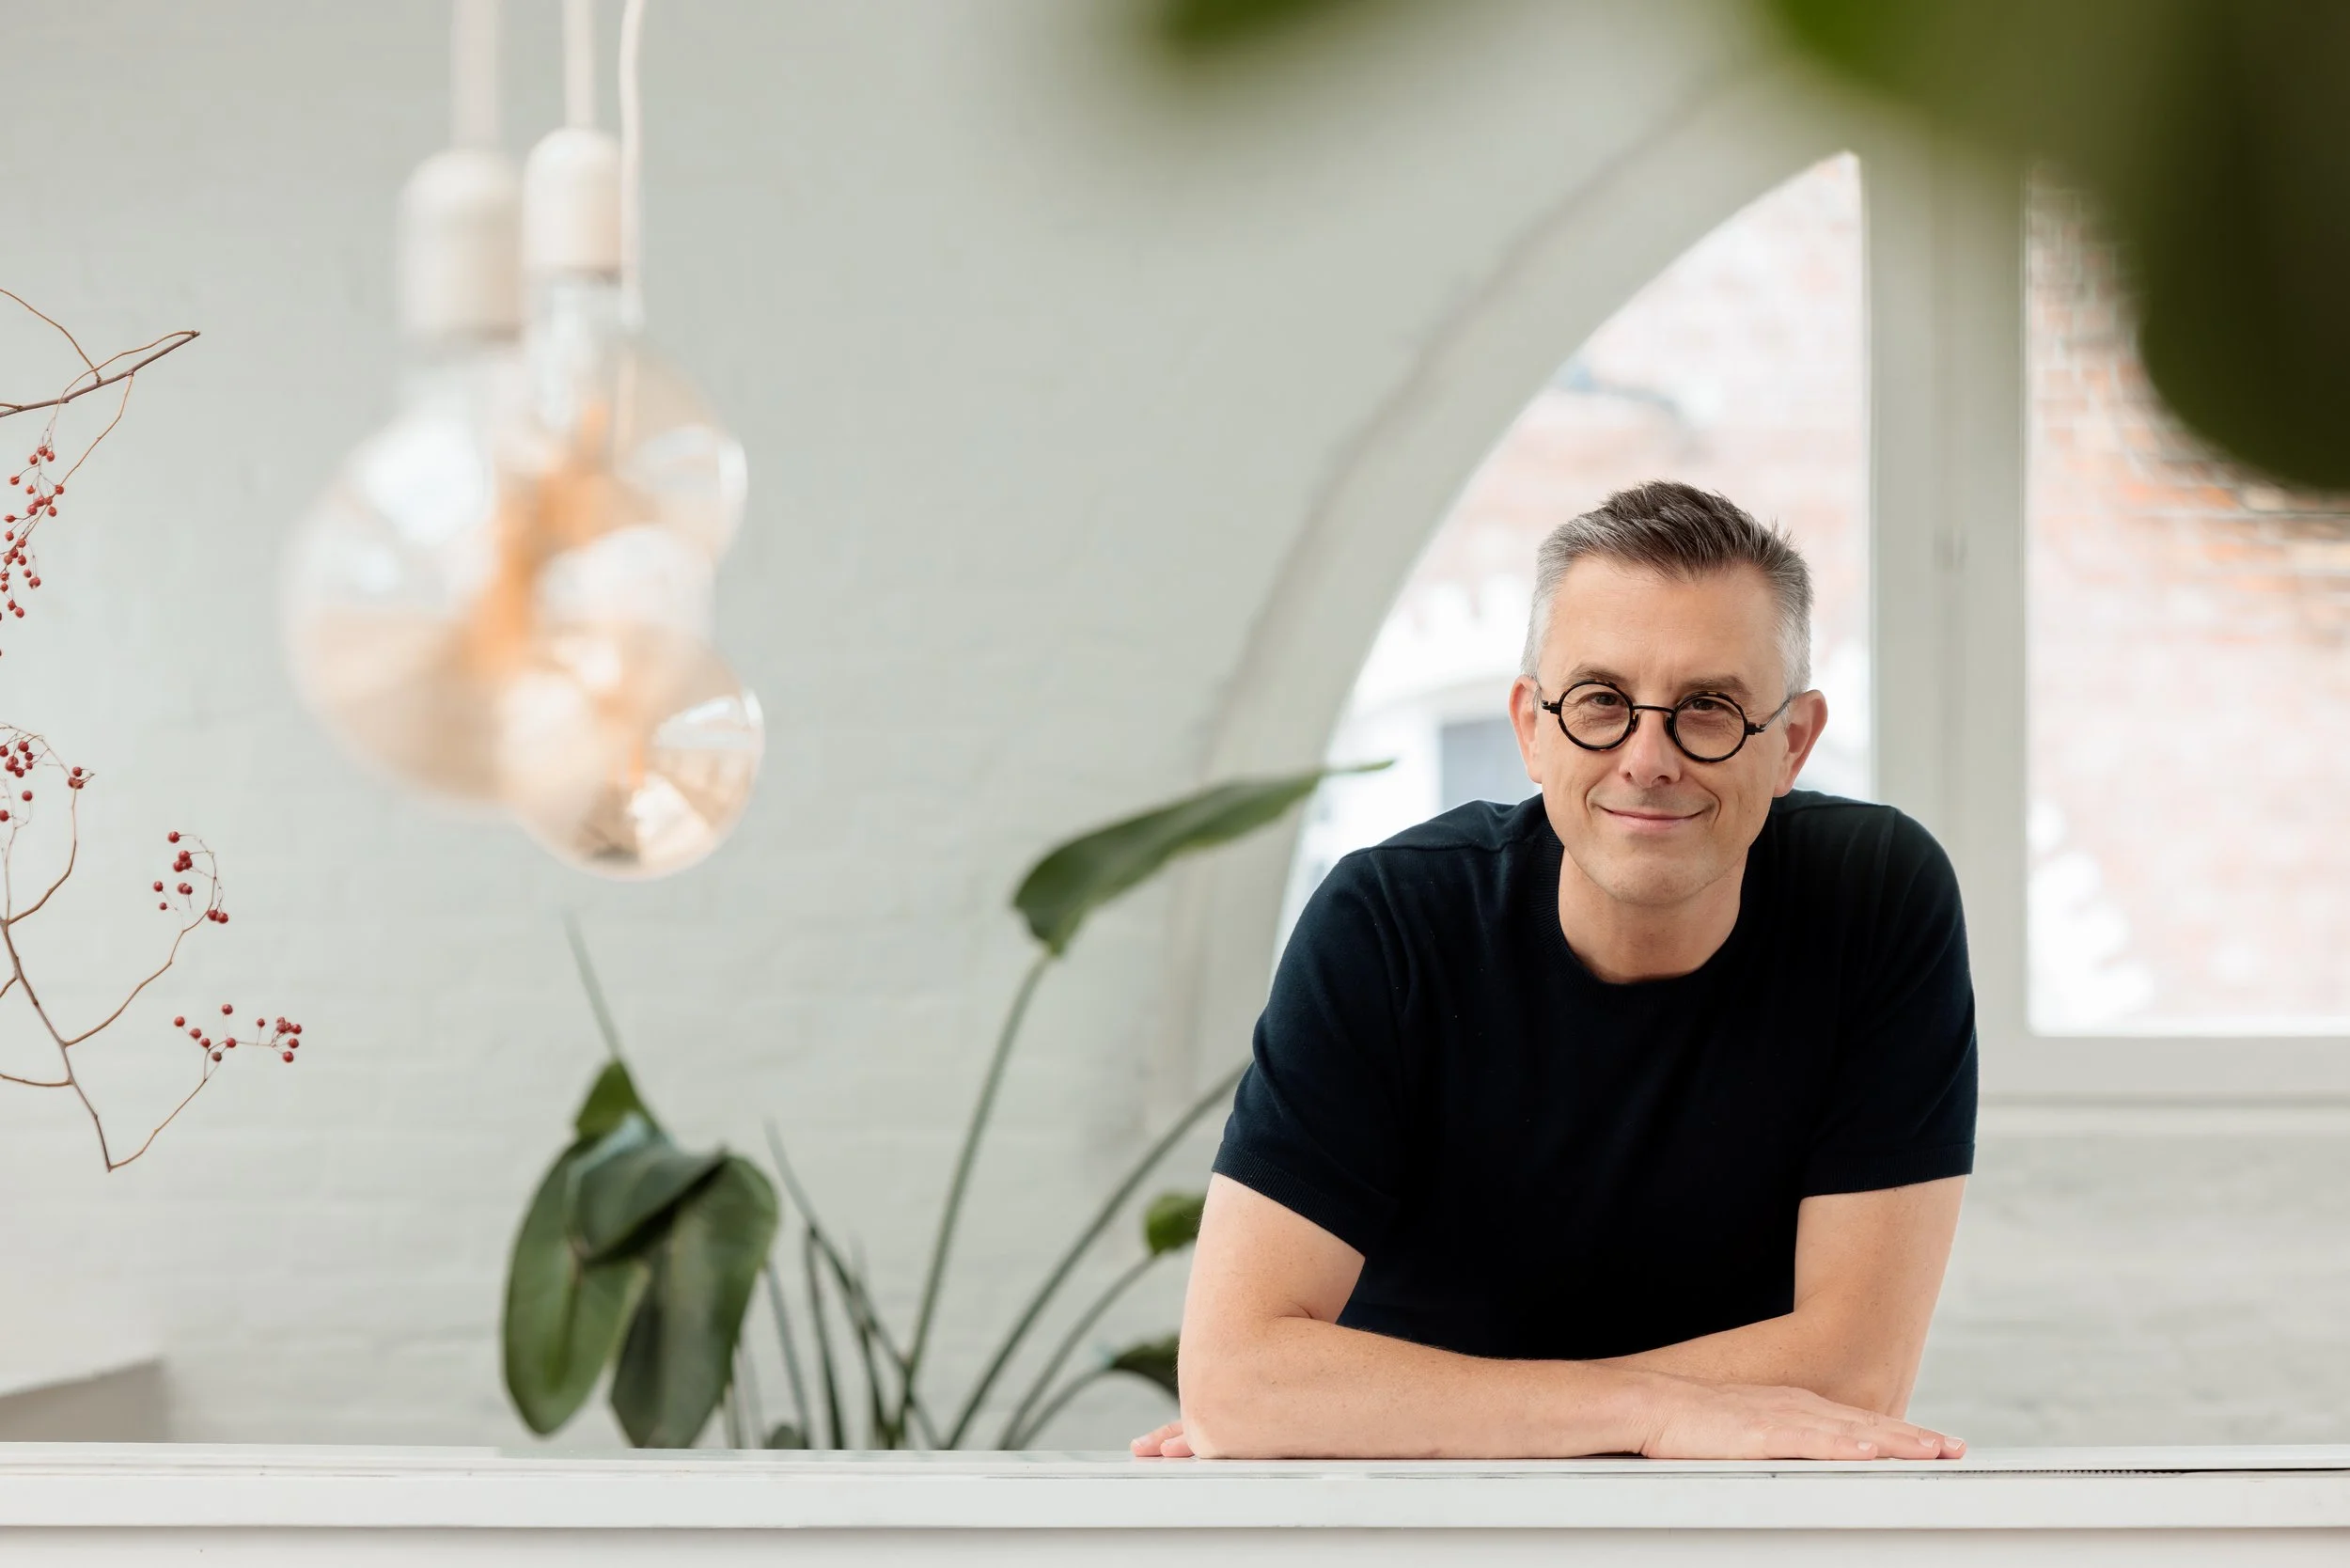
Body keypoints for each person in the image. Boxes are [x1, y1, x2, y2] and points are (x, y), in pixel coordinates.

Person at [1134, 481, 1975, 1462]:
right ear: (1531, 726)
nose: (1647, 757)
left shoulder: (1875, 898)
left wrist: (1374, 1402)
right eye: (1600, 702)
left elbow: (1852, 1377)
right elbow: (1241, 1386)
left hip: (1727, 1523)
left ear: (1790, 742)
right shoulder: (1389, 922)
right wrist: (1656, 1414)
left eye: (1707, 707)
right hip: (1408, 1524)